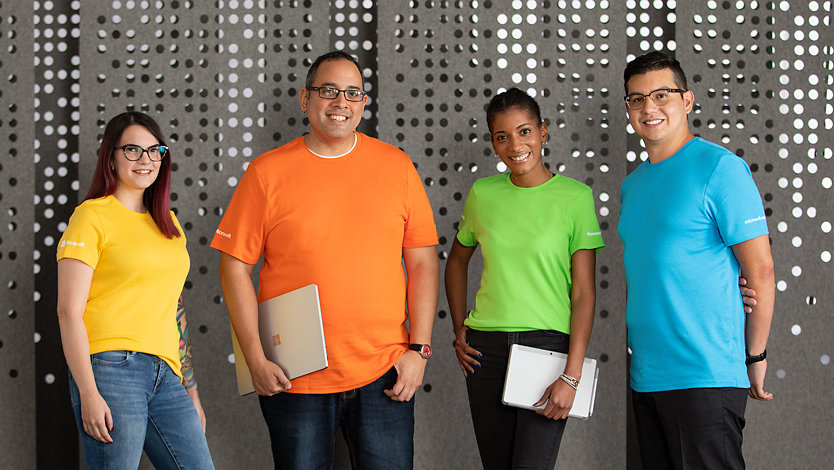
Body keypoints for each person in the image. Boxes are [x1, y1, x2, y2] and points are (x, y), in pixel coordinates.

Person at [211, 51, 439, 470]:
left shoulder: (397, 167)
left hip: (385, 371)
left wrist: (419, 351)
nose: (341, 103)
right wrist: (256, 358)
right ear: (305, 99)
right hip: (295, 376)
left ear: (364, 103)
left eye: (353, 93)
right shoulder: (266, 173)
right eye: (329, 90)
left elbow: (423, 263)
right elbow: (233, 267)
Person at [618, 51, 775, 469]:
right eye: (636, 99)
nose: (649, 108)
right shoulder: (632, 186)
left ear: (687, 101)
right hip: (648, 378)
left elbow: (760, 270)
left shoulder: (721, 169)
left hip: (705, 376)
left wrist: (754, 357)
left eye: (661, 95)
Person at [445, 87, 605, 470]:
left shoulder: (575, 198)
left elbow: (583, 292)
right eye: (502, 137)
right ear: (493, 143)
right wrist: (459, 327)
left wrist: (572, 374)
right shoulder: (483, 194)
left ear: (543, 132)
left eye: (524, 131)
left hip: (547, 349)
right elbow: (455, 262)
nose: (515, 145)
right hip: (485, 350)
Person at [56, 112, 214, 469]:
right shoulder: (91, 216)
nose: (145, 160)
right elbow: (68, 311)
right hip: (111, 367)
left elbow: (175, 309)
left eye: (154, 150)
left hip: (167, 375)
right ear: (110, 156)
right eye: (132, 150)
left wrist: (192, 392)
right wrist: (88, 393)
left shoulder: (169, 224)